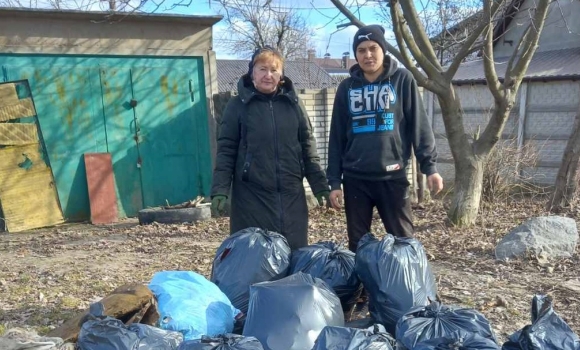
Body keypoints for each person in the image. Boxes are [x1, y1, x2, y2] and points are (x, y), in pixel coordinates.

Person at [327, 25, 444, 253]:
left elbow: (420, 126)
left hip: (392, 177)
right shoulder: (346, 88)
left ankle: (407, 288)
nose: (367, 55)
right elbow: (336, 138)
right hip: (355, 179)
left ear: (383, 50)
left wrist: (430, 167)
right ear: (356, 54)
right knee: (358, 244)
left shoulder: (402, 80)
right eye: (361, 50)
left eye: (373, 48)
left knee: (404, 242)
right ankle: (361, 288)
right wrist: (334, 181)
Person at [210, 46, 330, 251]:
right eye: (262, 69)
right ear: (252, 72)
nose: (268, 75)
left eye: (274, 70)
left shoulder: (293, 104)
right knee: (256, 254)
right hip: (252, 196)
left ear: (281, 74)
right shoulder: (237, 105)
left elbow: (308, 147)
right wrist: (220, 189)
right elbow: (226, 150)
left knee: (294, 251)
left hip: (291, 194)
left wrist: (319, 185)